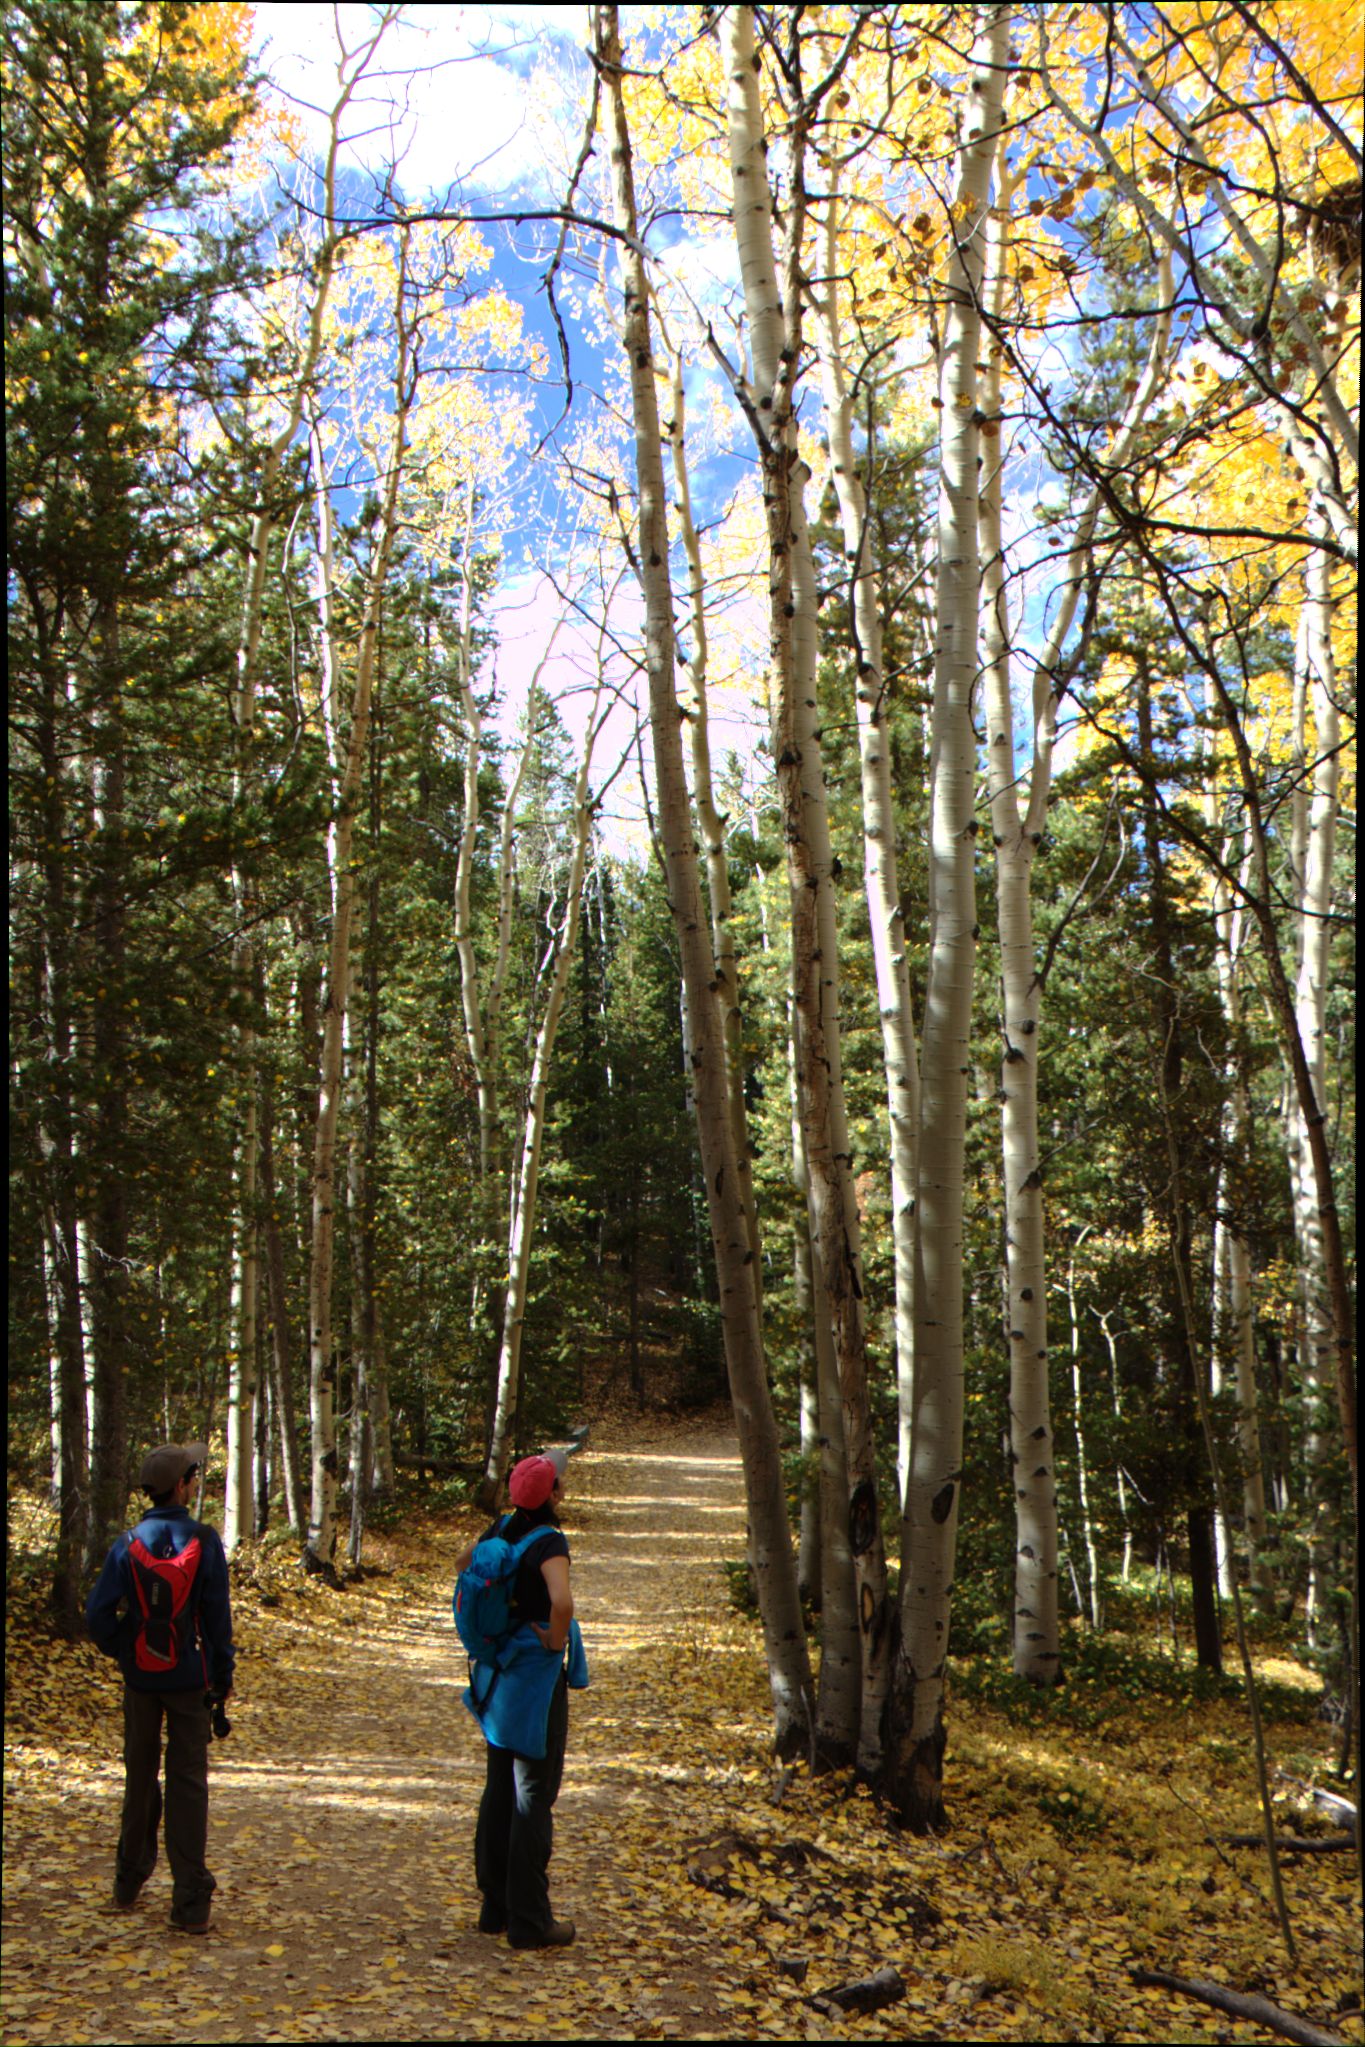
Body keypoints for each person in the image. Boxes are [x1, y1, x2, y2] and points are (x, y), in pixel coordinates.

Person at [86, 1442, 235, 1934]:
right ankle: (190, 1904)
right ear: (182, 1486)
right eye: (193, 1475)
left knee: (140, 1778)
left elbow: (97, 1614)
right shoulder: (203, 1539)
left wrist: (127, 1650)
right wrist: (221, 1678)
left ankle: (128, 1882)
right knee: (188, 1785)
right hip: (190, 1680)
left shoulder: (127, 1542)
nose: (196, 1481)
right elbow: (216, 1619)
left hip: (141, 1681)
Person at [458, 1446, 588, 1950]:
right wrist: (555, 1641)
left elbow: (462, 1563)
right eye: (559, 1481)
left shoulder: (501, 1531)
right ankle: (530, 1920)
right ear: (553, 1493)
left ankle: (495, 1906)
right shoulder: (548, 1540)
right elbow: (562, 1601)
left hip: (496, 1677)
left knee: (499, 1788)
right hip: (533, 1683)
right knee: (533, 1794)